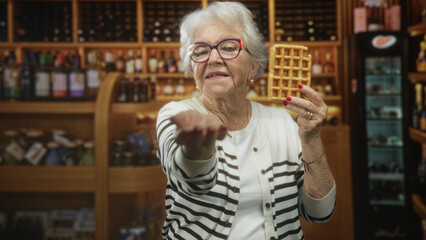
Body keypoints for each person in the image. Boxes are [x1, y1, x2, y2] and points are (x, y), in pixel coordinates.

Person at [156, 2, 336, 239]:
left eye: (229, 47)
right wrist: (197, 148)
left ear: (253, 67)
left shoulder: (281, 121)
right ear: (192, 67)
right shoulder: (175, 115)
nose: (213, 58)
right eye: (200, 51)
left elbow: (319, 212)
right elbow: (192, 179)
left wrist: (311, 138)